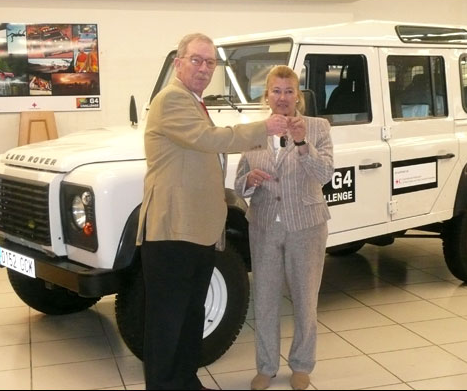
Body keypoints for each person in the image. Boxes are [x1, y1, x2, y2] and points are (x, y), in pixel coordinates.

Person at [135, 33, 288, 390]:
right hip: (173, 229)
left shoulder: (193, 101)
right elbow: (210, 140)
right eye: (196, 60)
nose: (204, 68)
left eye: (209, 62)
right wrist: (263, 128)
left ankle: (185, 380)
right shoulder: (172, 99)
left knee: (190, 314)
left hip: (196, 229)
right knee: (167, 320)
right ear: (178, 63)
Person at [234, 65, 334, 390]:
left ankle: (302, 365)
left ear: (298, 96)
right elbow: (238, 182)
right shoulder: (254, 132)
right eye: (276, 91)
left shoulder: (318, 128)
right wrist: (248, 181)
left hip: (306, 225)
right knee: (264, 299)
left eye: (289, 91)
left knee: (305, 299)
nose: (282, 97)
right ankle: (266, 366)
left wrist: (303, 143)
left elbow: (324, 175)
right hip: (263, 225)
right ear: (267, 96)